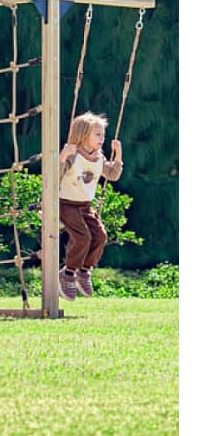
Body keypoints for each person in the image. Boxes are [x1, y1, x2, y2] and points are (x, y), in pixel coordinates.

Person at [58, 111, 122, 300]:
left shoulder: (99, 158)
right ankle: (68, 274)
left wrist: (118, 155)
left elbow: (112, 174)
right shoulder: (72, 155)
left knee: (100, 236)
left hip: (85, 206)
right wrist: (62, 157)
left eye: (103, 135)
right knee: (83, 237)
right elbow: (54, 175)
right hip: (66, 204)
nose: (102, 138)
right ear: (83, 134)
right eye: (97, 134)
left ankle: (84, 271)